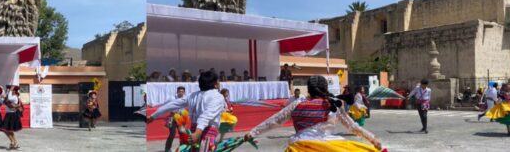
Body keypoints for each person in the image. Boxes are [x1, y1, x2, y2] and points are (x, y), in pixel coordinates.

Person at [245, 76, 383, 152]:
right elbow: (352, 127)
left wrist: (252, 133)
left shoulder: (297, 104)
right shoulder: (332, 104)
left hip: (299, 147)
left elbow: (274, 121)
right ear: (325, 88)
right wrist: (373, 140)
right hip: (329, 147)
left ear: (309, 89)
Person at [147, 70, 226, 150]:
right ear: (215, 84)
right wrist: (197, 133)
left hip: (195, 131)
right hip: (205, 133)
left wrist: (153, 116)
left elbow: (173, 104)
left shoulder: (193, 95)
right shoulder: (217, 96)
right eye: (218, 81)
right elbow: (206, 116)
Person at [163, 86, 186, 152]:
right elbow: (163, 103)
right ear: (177, 92)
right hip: (171, 117)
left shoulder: (186, 98)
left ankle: (182, 148)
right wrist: (153, 104)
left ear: (184, 92)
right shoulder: (172, 98)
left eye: (182, 92)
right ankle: (167, 149)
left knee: (182, 134)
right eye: (179, 91)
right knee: (172, 134)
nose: (181, 93)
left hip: (181, 117)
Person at [0, 85, 23, 150]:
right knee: (8, 130)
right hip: (8, 114)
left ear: (14, 91)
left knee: (6, 129)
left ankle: (13, 142)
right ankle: (15, 142)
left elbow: (9, 98)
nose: (9, 91)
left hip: (12, 115)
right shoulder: (11, 96)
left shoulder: (15, 97)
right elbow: (5, 100)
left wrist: (10, 91)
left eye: (11, 90)